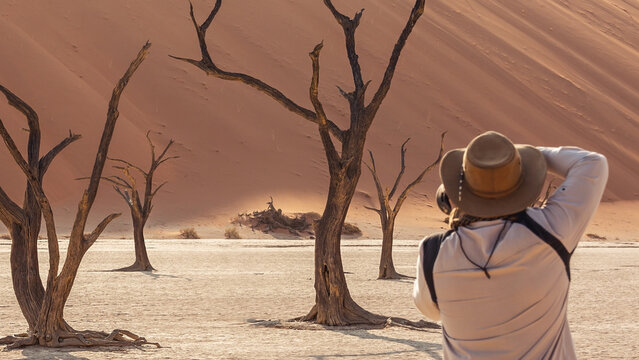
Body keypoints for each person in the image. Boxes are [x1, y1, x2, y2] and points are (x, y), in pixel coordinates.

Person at [413, 131, 608, 359]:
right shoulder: (550, 230)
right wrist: (515, 158)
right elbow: (591, 162)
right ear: (522, 183)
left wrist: (483, 166)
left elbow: (430, 310)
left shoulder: (433, 252)